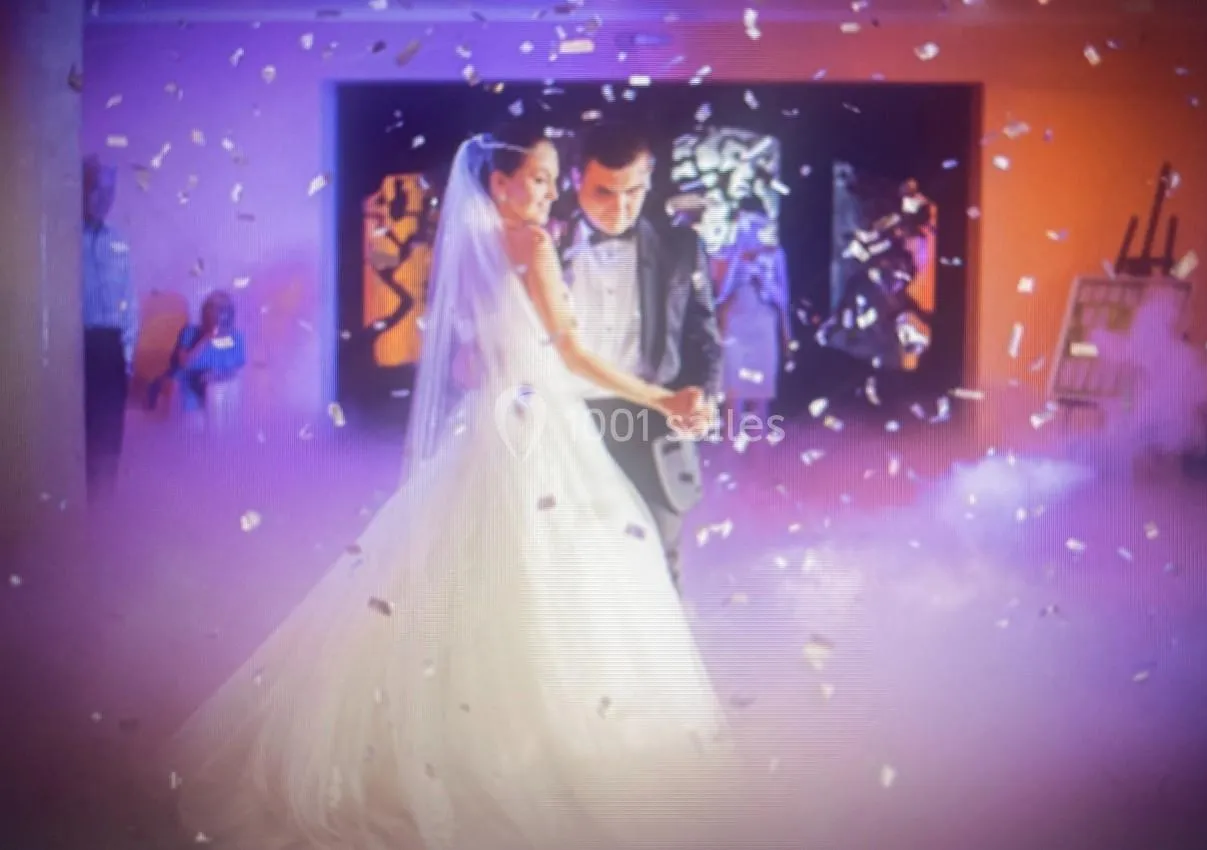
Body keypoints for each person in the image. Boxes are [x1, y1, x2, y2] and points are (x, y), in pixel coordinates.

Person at [165, 123, 742, 850]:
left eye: (552, 179)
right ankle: (543, 746)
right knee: (554, 579)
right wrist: (658, 397)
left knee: (485, 575)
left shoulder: (470, 245)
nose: (550, 192)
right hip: (543, 428)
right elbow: (568, 352)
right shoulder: (536, 243)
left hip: (498, 427)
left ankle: (486, 731)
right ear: (501, 183)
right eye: (540, 179)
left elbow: (471, 358)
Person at [551, 120, 723, 591]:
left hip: (650, 427)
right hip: (562, 426)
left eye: (633, 192)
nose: (620, 207)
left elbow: (704, 337)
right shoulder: (545, 245)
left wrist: (704, 398)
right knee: (568, 577)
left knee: (658, 577)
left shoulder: (680, 247)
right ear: (575, 179)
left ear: (649, 180)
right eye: (604, 192)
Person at [81, 155, 138, 502]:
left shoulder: (119, 240)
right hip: (75, 345)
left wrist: (127, 356)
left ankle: (104, 509)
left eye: (111, 192)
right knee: (77, 436)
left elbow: (129, 300)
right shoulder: (63, 238)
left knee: (108, 438)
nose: (105, 199)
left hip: (111, 347)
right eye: (97, 190)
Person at [715, 199, 793, 439]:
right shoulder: (728, 252)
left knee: (760, 396)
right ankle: (729, 451)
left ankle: (759, 453)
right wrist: (738, 260)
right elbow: (720, 295)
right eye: (745, 222)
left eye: (756, 222)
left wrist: (763, 277)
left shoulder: (774, 254)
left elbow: (783, 298)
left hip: (763, 327)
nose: (751, 228)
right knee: (733, 396)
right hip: (735, 327)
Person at [148, 291, 247, 425]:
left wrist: (216, 375)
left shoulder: (236, 338)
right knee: (192, 422)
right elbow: (184, 362)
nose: (218, 319)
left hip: (219, 391)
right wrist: (206, 339)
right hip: (186, 389)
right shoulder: (191, 332)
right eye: (213, 313)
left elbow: (237, 366)